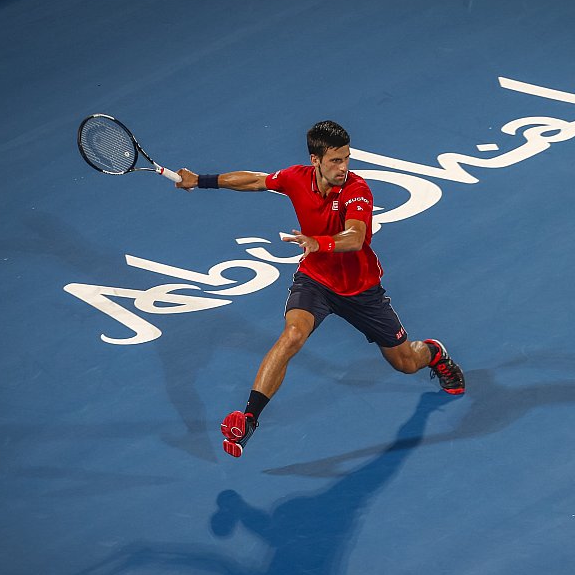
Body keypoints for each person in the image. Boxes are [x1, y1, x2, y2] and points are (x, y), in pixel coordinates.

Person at [175, 120, 465, 458]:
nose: (343, 168)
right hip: (316, 281)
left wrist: (319, 242)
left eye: (346, 159)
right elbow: (255, 180)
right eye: (335, 161)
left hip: (361, 290)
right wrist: (200, 180)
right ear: (315, 160)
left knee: (405, 363)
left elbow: (355, 238)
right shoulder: (295, 178)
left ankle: (433, 353)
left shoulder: (358, 190)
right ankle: (250, 418)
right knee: (292, 336)